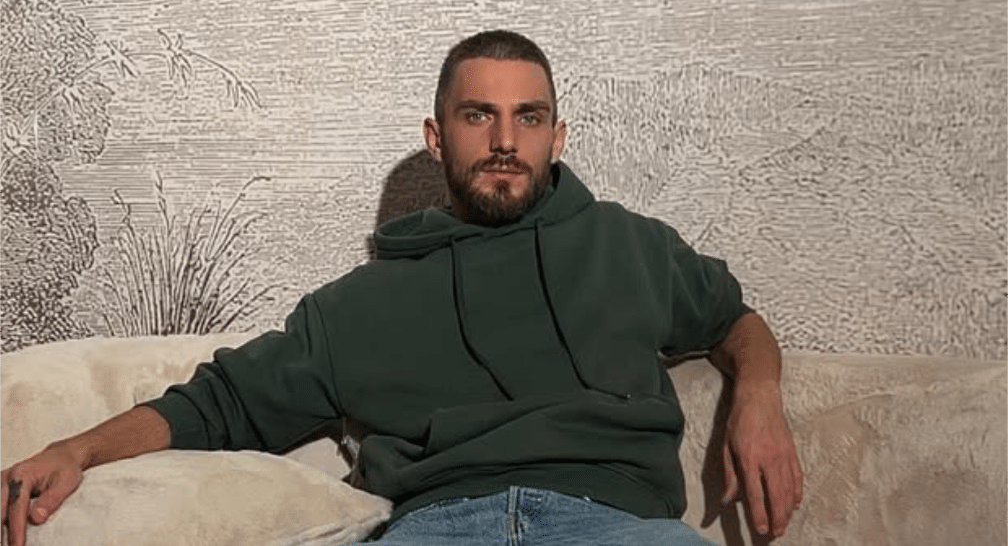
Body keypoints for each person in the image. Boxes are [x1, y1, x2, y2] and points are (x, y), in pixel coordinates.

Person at [1, 30, 802, 546]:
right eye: (478, 116)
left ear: (556, 137)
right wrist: (76, 450)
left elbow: (734, 320)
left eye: (528, 118)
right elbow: (219, 404)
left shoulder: (629, 245)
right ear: (436, 137)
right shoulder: (361, 305)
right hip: (439, 528)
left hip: (619, 527)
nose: (504, 140)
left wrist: (759, 397)